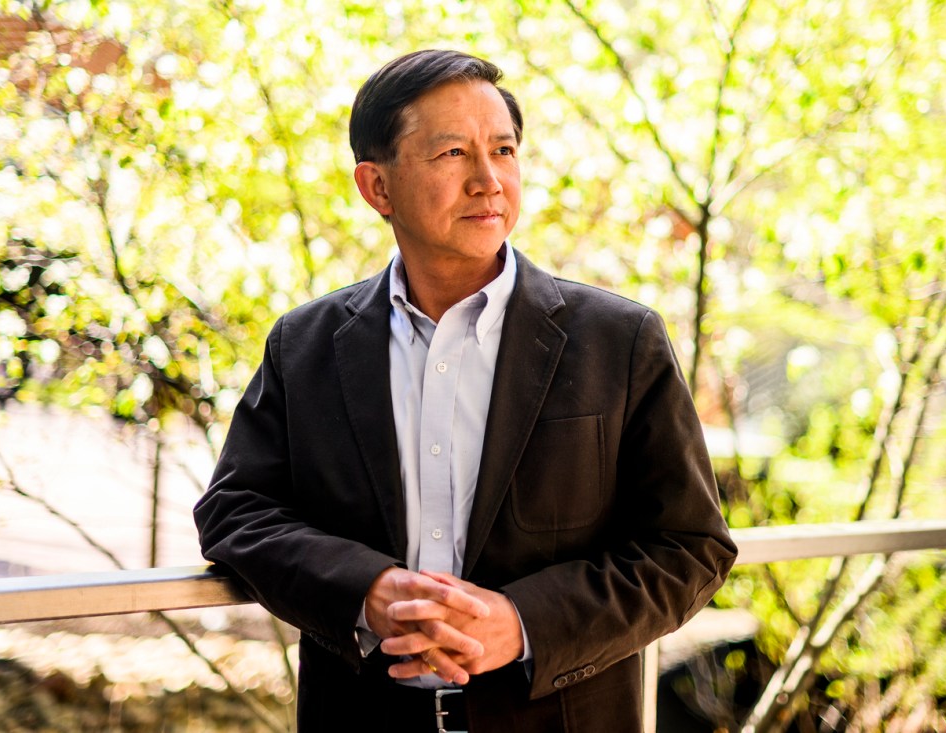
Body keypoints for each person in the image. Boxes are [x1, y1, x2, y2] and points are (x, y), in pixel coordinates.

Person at [194, 49, 736, 733]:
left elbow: (691, 546)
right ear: (377, 187)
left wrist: (524, 623)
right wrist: (364, 590)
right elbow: (237, 510)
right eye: (453, 153)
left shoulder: (620, 341)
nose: (489, 180)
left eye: (503, 150)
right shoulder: (305, 346)